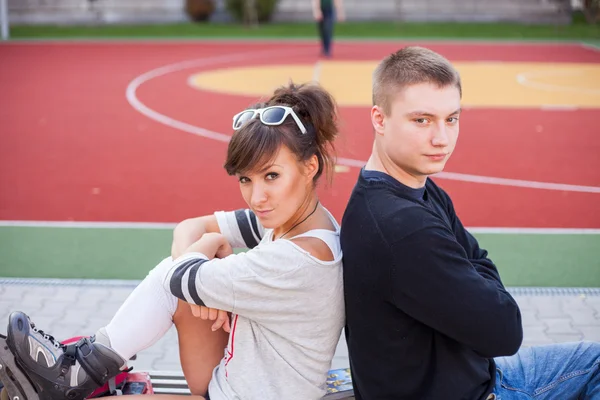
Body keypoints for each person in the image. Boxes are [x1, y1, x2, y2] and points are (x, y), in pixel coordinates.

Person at [1, 82, 345, 400]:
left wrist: (203, 256)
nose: (257, 198)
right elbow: (189, 227)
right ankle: (84, 367)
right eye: (245, 179)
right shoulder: (301, 219)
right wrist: (201, 270)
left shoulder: (297, 259)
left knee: (178, 274)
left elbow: (177, 276)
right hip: (234, 376)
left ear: (310, 166)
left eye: (272, 175)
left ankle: (82, 369)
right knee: (186, 275)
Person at [340, 46, 600, 400]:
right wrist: (475, 273)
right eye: (422, 120)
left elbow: (479, 265)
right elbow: (505, 331)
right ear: (379, 119)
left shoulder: (411, 191)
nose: (441, 139)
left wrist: (473, 271)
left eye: (451, 119)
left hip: (471, 374)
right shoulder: (404, 229)